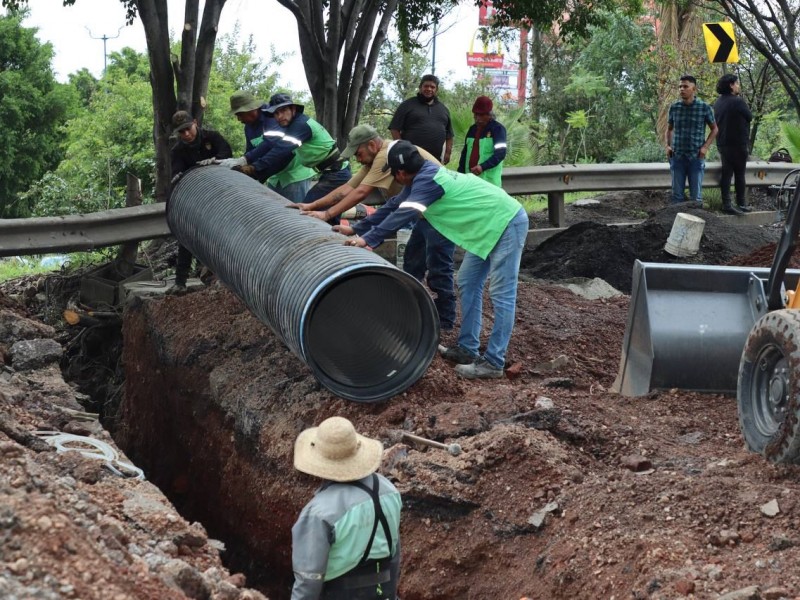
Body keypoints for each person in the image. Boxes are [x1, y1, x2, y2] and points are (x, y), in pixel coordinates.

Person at [340, 141, 529, 380]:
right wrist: (358, 229)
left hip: (506, 221)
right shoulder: (420, 176)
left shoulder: (428, 182)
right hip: (487, 227)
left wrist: (368, 240)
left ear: (400, 173)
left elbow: (404, 213)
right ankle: (467, 349)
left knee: (502, 293)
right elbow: (394, 205)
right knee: (468, 281)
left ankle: (494, 362)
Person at [294, 124, 456, 330]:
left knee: (439, 268)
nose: (357, 159)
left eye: (358, 153)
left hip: (440, 215)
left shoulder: (387, 156)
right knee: (412, 264)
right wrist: (313, 206)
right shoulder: (376, 160)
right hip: (424, 216)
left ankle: (445, 321)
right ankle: (411, 312)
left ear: (372, 145)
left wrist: (353, 230)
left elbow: (361, 194)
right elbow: (347, 189)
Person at [291, 416, 401, 600]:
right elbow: (395, 554)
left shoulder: (319, 512)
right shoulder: (389, 490)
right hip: (384, 592)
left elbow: (309, 580)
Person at [389, 75, 457, 321]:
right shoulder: (408, 106)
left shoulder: (442, 109)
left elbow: (449, 134)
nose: (429, 89)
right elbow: (394, 128)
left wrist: (447, 152)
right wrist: (401, 150)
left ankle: (445, 318)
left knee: (439, 261)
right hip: (412, 167)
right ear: (420, 87)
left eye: (433, 87)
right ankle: (408, 299)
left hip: (437, 193)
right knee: (414, 255)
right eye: (426, 86)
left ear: (436, 89)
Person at [221, 93, 351, 203]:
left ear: (293, 109)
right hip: (327, 172)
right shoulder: (288, 126)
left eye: (283, 111)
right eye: (276, 113)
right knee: (318, 211)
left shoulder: (300, 125)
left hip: (336, 172)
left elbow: (281, 150)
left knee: (310, 208)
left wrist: (254, 168)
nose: (279, 117)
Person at [168, 110, 232, 294]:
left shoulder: (213, 137)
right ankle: (180, 282)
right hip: (196, 200)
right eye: (181, 132)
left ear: (195, 123)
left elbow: (227, 154)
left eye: (188, 129)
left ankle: (220, 276)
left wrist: (214, 161)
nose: (186, 134)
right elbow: (177, 172)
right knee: (186, 237)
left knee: (220, 237)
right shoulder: (178, 150)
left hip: (220, 195)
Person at [665, 75, 718, 206]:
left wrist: (705, 147)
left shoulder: (704, 107)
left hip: (696, 156)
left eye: (685, 86)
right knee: (677, 197)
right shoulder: (674, 107)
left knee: (696, 198)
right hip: (677, 156)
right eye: (680, 87)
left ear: (694, 88)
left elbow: (715, 129)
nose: (681, 89)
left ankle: (696, 224)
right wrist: (667, 146)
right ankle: (677, 225)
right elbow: (669, 129)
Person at [714, 74, 753, 215]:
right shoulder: (738, 101)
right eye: (736, 83)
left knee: (726, 174)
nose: (738, 86)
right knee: (740, 174)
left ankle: (726, 204)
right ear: (731, 85)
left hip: (722, 143)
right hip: (738, 143)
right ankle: (741, 203)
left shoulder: (717, 102)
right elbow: (749, 117)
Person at [457, 96, 507, 187]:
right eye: (476, 115)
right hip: (469, 180)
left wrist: (482, 166)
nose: (477, 118)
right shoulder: (472, 129)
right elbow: (464, 154)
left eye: (481, 115)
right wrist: (460, 174)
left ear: (489, 115)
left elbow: (500, 153)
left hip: (489, 182)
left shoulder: (498, 129)